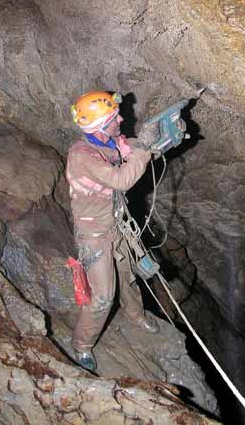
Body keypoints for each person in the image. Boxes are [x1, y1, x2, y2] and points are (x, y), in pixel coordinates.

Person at [65, 90, 160, 372]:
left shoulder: (107, 142)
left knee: (128, 273)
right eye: (113, 117)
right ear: (98, 126)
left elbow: (127, 149)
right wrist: (143, 149)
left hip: (116, 224)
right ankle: (82, 345)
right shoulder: (81, 155)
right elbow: (120, 179)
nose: (121, 118)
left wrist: (153, 143)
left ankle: (135, 315)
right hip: (93, 234)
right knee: (103, 295)